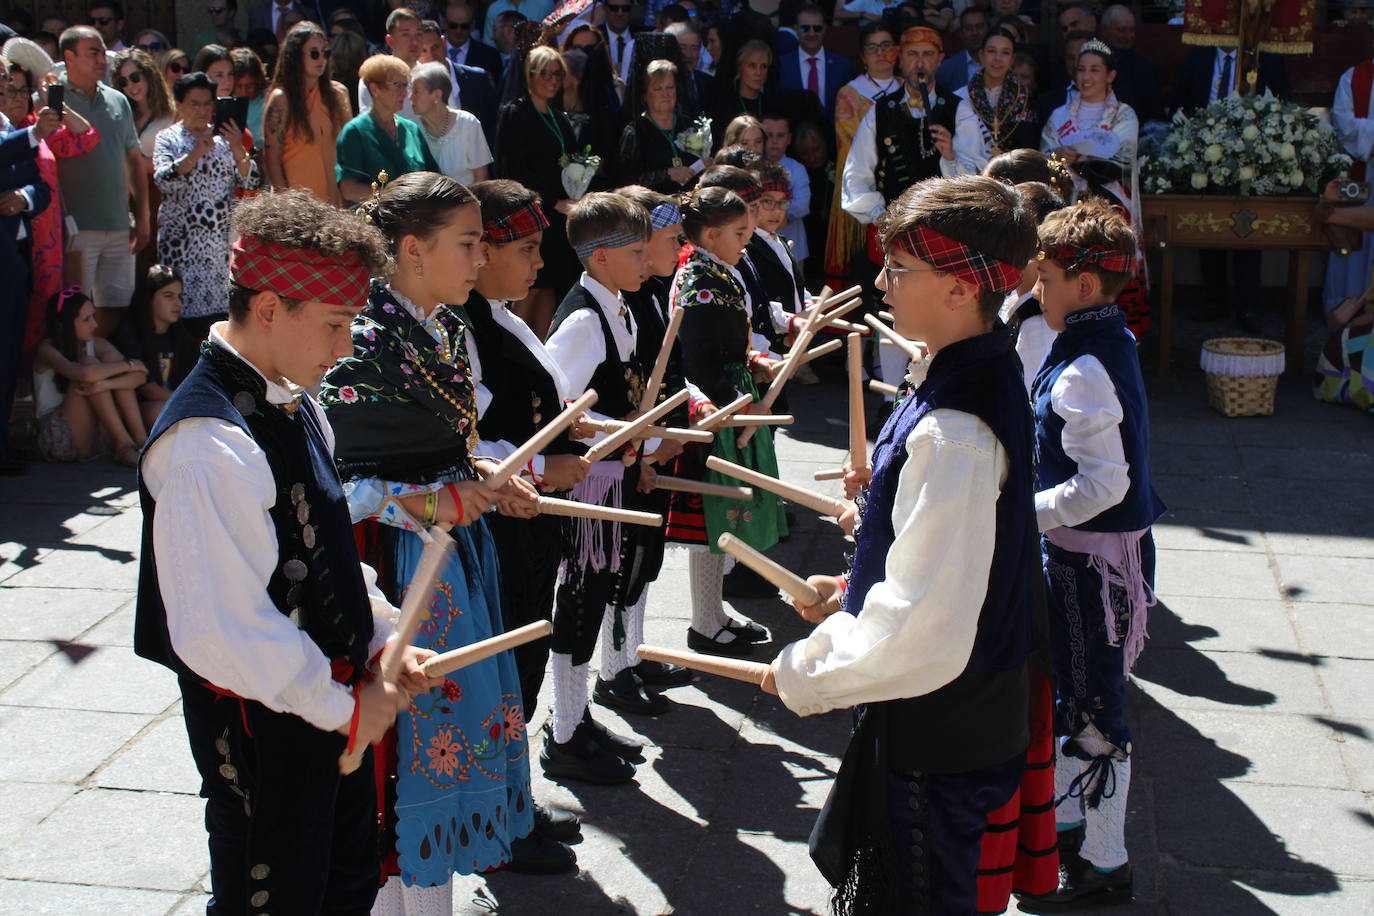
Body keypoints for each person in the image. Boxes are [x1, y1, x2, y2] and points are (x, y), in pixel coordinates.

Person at [763, 174, 1041, 915]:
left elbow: (925, 626)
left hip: (940, 725)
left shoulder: (956, 429)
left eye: (900, 268)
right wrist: (852, 587)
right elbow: (936, 557)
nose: (880, 280)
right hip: (949, 712)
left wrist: (805, 674)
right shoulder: (969, 371)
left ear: (959, 288)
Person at [132, 193, 412, 916]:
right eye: (333, 324)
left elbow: (328, 550)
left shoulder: (295, 398)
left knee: (344, 887)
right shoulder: (206, 444)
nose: (345, 346)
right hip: (267, 736)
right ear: (266, 308)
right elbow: (221, 630)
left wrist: (382, 635)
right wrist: (343, 707)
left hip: (325, 713)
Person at [319, 173, 569, 902]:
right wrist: (434, 502)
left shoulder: (450, 329)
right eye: (467, 244)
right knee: (400, 764)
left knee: (461, 737)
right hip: (390, 573)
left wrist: (491, 475)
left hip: (456, 560)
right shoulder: (355, 341)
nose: (479, 259)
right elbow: (337, 489)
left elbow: (449, 447)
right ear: (411, 250)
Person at [1014, 198, 1165, 912]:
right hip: (1092, 560)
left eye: (1042, 277)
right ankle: (1072, 825)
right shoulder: (1105, 341)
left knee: (1098, 707)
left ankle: (1106, 860)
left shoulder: (1082, 367)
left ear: (1082, 283)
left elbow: (1104, 484)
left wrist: (1025, 515)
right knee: (1079, 692)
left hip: (1089, 566)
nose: (1032, 290)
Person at [540, 192, 664, 783]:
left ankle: (577, 715)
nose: (648, 262)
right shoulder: (586, 318)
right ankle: (563, 731)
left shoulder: (620, 307)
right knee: (580, 602)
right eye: (638, 251)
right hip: (586, 488)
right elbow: (556, 407)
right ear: (601, 258)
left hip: (612, 480)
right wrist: (622, 431)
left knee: (597, 597)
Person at [664, 184, 788, 655]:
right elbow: (697, 361)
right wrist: (740, 402)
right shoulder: (697, 280)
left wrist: (755, 359)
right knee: (713, 516)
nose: (746, 241)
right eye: (739, 232)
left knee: (728, 518)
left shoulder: (718, 270)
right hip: (717, 410)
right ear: (711, 234)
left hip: (734, 400)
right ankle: (703, 621)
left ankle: (713, 613)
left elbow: (728, 342)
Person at [608, 182, 695, 708]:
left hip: (654, 452)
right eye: (670, 239)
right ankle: (615, 669)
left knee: (646, 562)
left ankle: (632, 654)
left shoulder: (647, 295)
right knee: (625, 564)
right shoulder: (627, 303)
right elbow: (629, 389)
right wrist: (647, 448)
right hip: (633, 459)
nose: (677, 248)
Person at [841, 25, 957, 405]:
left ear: (939, 59)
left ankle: (942, 389)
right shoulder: (882, 112)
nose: (919, 63)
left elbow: (979, 172)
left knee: (945, 306)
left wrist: (952, 156)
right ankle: (894, 399)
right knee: (895, 310)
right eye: (912, 55)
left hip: (949, 233)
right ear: (900, 60)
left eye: (927, 55)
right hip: (900, 234)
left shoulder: (958, 110)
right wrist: (882, 215)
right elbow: (857, 173)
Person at [1041, 40, 1148, 340]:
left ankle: (1119, 336)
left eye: (1095, 70)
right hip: (1068, 207)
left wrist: (1087, 162)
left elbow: (1123, 158)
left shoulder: (1124, 115)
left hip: (1110, 205)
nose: (1086, 77)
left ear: (1110, 75)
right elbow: (1045, 157)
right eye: (1081, 70)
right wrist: (1060, 158)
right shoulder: (1059, 116)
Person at [1, 45, 100, 358]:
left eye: (21, 90)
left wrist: (50, 99)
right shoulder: (19, 134)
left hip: (45, 236)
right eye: (7, 87)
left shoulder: (37, 127)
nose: (14, 96)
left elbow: (87, 137)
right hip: (12, 237)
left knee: (38, 313)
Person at [57, 25, 149, 336]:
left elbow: (134, 161)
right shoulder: (51, 97)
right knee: (76, 308)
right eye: (92, 53)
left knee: (117, 304)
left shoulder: (118, 100)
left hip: (120, 225)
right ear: (69, 57)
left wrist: (143, 217)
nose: (102, 60)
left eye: (102, 53)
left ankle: (104, 360)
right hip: (75, 227)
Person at [153, 71, 258, 339]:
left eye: (207, 103)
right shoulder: (168, 138)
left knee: (219, 324)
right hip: (183, 247)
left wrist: (237, 147)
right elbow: (163, 180)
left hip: (218, 251)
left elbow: (250, 181)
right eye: (194, 103)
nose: (202, 111)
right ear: (179, 104)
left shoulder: (225, 141)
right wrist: (194, 154)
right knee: (183, 323)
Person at [494, 43, 578, 336]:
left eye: (557, 74)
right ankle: (515, 348)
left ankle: (540, 354)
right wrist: (553, 200)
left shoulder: (559, 117)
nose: (552, 80)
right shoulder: (515, 113)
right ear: (530, 75)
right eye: (544, 74)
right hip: (532, 214)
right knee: (530, 287)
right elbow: (515, 168)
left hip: (560, 216)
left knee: (550, 288)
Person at [30, 287, 147, 465]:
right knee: (91, 367)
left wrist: (106, 385)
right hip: (58, 436)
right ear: (65, 324)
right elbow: (84, 374)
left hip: (94, 433)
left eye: (93, 316)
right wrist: (128, 365)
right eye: (86, 319)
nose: (95, 324)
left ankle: (143, 442)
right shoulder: (47, 349)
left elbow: (140, 378)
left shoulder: (97, 344)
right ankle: (124, 446)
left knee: (110, 374)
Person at [826, 21, 899, 279]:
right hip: (863, 187)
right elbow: (849, 145)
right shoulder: (850, 93)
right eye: (872, 47)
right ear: (863, 56)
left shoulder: (907, 88)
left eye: (886, 45)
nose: (880, 52)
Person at [265, 22, 351, 205]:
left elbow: (349, 149)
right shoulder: (281, 99)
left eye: (325, 53)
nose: (321, 59)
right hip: (298, 208)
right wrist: (286, 208)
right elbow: (272, 160)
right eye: (314, 53)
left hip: (336, 206)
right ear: (295, 57)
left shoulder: (338, 94)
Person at [336, 54, 438, 204]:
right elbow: (349, 189)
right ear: (374, 88)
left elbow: (433, 177)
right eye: (397, 85)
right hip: (374, 223)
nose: (405, 92)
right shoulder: (355, 132)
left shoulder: (411, 129)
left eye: (405, 85)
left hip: (415, 222)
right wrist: (397, 196)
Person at [109, 263, 195, 425]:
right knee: (158, 410)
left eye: (179, 297)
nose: (177, 303)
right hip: (135, 413)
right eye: (168, 296)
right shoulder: (129, 334)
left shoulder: (181, 337)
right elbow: (148, 390)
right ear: (149, 298)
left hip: (176, 405)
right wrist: (194, 405)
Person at [953, 29, 1039, 177]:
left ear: (1012, 59)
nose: (998, 58)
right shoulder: (960, 97)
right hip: (972, 178)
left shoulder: (1025, 99)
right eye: (992, 51)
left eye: (1005, 53)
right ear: (981, 55)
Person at [617, 58, 706, 193]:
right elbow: (628, 181)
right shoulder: (636, 132)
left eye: (670, 87)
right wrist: (667, 174)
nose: (666, 94)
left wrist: (705, 165)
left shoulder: (689, 125)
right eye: (658, 88)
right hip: (653, 207)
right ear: (645, 95)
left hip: (692, 202)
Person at [409, 61, 491, 185]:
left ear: (437, 94)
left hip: (468, 201)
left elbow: (482, 178)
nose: (411, 97)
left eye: (416, 91)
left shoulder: (467, 124)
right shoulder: (412, 129)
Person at [776, 4, 852, 113]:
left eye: (817, 28)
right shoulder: (781, 65)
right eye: (805, 28)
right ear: (796, 29)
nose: (811, 33)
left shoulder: (842, 65)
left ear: (825, 29)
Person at [760, 112, 811, 264]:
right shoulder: (754, 168)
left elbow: (802, 205)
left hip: (792, 245)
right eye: (769, 135)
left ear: (789, 138)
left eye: (780, 135)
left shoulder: (797, 169)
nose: (774, 141)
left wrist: (771, 214)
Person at [111, 48, 174, 166]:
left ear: (148, 75)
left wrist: (134, 163)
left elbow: (177, 161)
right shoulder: (120, 116)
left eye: (135, 77)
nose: (130, 85)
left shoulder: (173, 113)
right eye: (123, 81)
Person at [712, 38, 771, 144]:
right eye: (752, 65)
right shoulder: (725, 106)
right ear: (740, 67)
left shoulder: (770, 104)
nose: (759, 72)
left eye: (764, 66)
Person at [445, 1, 502, 85]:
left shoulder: (489, 56)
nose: (458, 31)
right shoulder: (430, 51)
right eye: (453, 26)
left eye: (464, 26)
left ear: (472, 26)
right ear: (444, 24)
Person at [934, 6, 988, 93]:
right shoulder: (947, 68)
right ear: (961, 33)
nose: (974, 32)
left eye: (979, 27)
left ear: (988, 29)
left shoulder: (1000, 62)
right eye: (968, 28)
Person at [230, 46, 269, 144]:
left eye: (249, 86)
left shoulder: (269, 101)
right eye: (238, 86)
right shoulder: (225, 103)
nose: (244, 92)